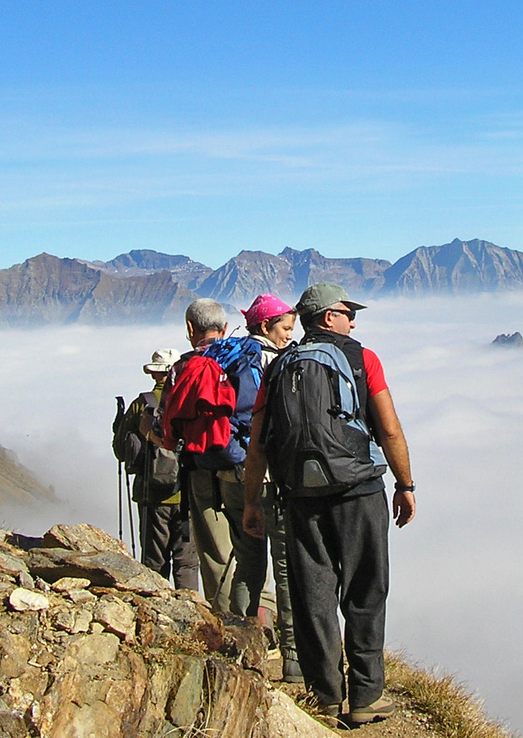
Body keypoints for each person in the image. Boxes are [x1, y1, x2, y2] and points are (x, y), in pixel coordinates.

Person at [243, 283, 416, 727]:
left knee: (313, 594)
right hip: (358, 490)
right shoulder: (363, 359)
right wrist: (405, 483)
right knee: (365, 590)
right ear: (326, 317)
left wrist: (251, 503)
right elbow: (390, 430)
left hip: (299, 495)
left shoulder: (279, 366)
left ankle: (324, 696)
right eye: (346, 312)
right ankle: (365, 696)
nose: (353, 321)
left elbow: (258, 444)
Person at [157, 298, 238, 611]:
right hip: (248, 463)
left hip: (202, 465)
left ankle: (229, 621)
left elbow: (166, 428)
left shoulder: (182, 368)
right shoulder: (244, 357)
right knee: (251, 546)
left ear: (190, 329)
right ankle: (265, 619)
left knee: (216, 550)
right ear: (225, 328)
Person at [240, 293, 302, 682]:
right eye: (285, 329)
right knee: (286, 569)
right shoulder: (274, 365)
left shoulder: (231, 357)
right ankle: (293, 662)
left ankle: (242, 644)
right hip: (270, 480)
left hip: (234, 474)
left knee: (245, 566)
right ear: (265, 326)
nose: (288, 336)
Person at [117, 348, 199, 590]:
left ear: (154, 374)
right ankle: (192, 615)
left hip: (152, 496)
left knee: (154, 561)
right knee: (186, 563)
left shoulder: (141, 405)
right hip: (186, 495)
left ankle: (157, 611)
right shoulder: (190, 400)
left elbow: (121, 451)